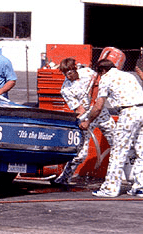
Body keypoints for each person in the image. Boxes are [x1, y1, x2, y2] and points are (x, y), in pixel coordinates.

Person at [80, 59, 143, 197]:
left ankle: (110, 188)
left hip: (128, 113)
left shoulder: (106, 79)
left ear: (102, 71)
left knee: (118, 151)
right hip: (142, 110)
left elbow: (98, 106)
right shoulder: (129, 75)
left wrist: (88, 121)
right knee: (141, 151)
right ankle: (140, 187)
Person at [52, 58, 115, 186]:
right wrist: (85, 120)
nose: (67, 76)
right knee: (80, 154)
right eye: (64, 74)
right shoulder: (66, 89)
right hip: (86, 119)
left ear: (75, 68)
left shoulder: (88, 73)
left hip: (102, 114)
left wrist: (96, 98)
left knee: (118, 143)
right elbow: (79, 109)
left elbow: (100, 83)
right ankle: (64, 178)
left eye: (69, 73)